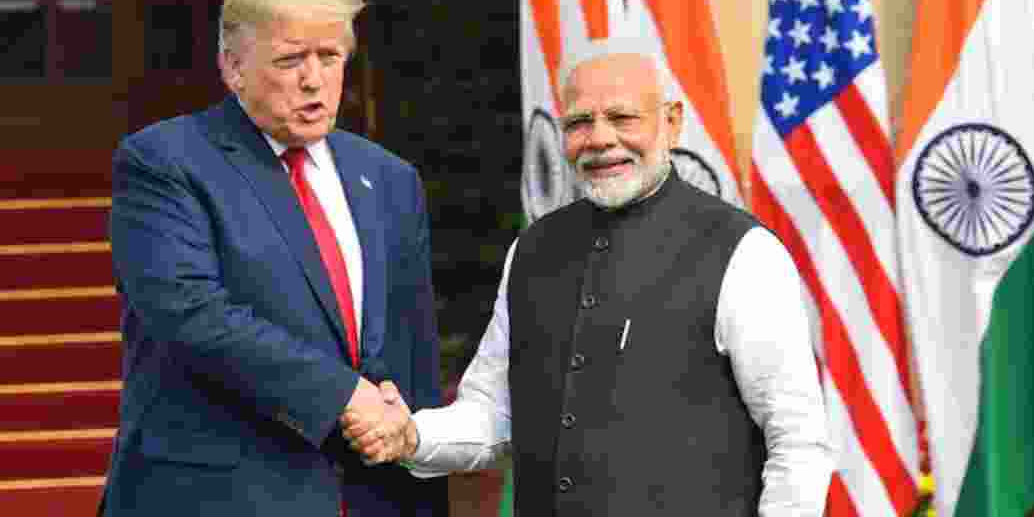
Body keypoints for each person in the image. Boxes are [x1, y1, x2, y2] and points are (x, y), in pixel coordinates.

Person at [345, 40, 834, 516]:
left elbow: (797, 440)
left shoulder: (744, 252)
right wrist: (410, 434)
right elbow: (493, 413)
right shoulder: (533, 250)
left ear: (672, 122)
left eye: (622, 118)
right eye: (580, 122)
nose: (599, 139)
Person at [102, 0, 446, 516]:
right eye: (290, 60)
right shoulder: (164, 161)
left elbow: (412, 349)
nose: (314, 79)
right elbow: (189, 313)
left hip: (368, 494)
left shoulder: (388, 178)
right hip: (214, 496)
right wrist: (342, 393)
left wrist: (416, 464)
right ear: (233, 67)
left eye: (330, 57)